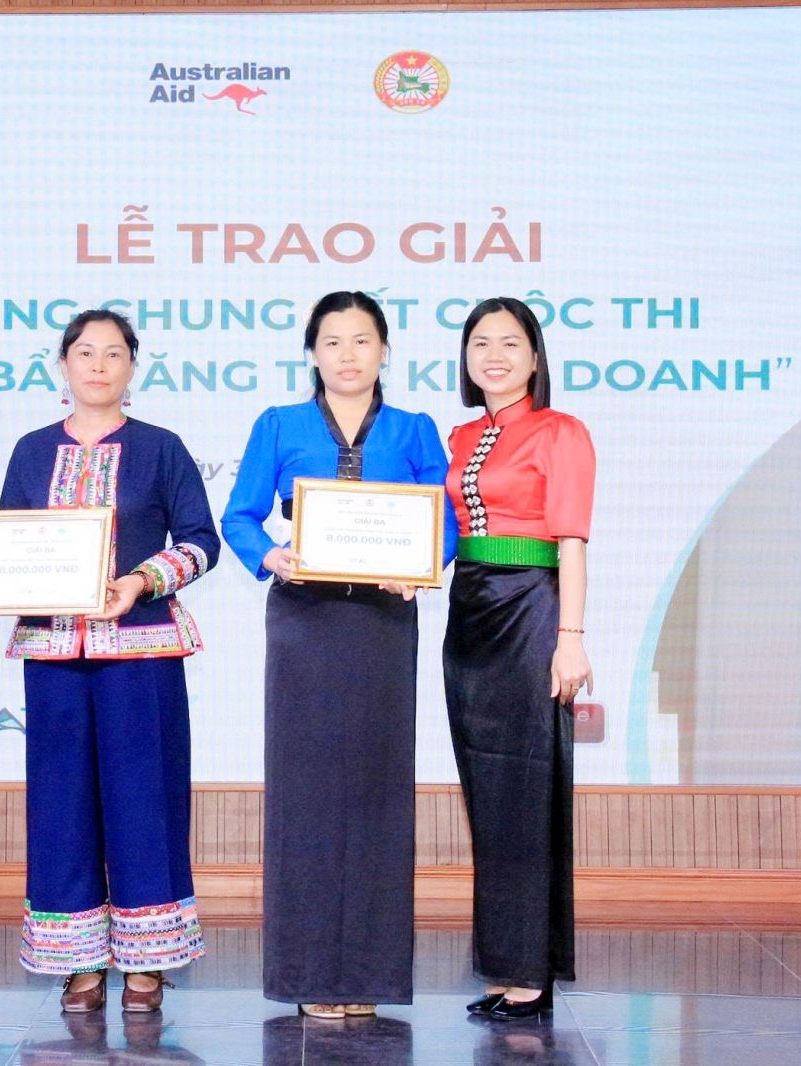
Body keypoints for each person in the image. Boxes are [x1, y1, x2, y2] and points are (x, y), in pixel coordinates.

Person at [221, 290, 456, 1019]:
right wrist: (272, 557)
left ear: (384, 350)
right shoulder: (279, 423)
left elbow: (445, 519)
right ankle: (310, 977)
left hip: (383, 621)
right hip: (305, 620)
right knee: (306, 794)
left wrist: (423, 567)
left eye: (361, 340)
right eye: (332, 341)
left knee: (379, 790)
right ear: (312, 353)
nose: (347, 355)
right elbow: (239, 516)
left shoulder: (415, 429)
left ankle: (369, 979)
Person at [0, 309, 219, 1013]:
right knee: (60, 802)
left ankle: (148, 961)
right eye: (85, 352)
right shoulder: (32, 450)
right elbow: (8, 542)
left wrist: (141, 581)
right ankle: (79, 960)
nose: (98, 365)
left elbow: (201, 541)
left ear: (132, 367)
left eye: (113, 353)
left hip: (140, 650)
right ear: (62, 364)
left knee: (144, 798)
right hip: (54, 652)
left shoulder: (161, 448)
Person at [443, 296, 594, 1022]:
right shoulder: (462, 434)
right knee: (486, 790)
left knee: (527, 789)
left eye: (510, 342)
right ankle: (506, 964)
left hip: (531, 606)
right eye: (481, 343)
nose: (495, 355)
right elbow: (441, 531)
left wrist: (572, 637)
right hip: (469, 606)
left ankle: (533, 972)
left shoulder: (561, 431)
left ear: (535, 357)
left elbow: (572, 543)